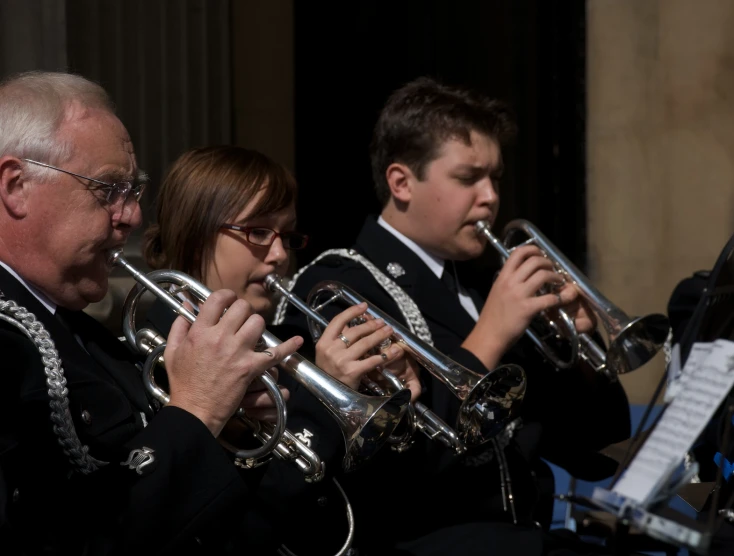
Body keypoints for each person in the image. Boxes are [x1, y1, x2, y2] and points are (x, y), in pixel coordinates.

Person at [277, 76, 632, 555]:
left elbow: (593, 446)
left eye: (496, 178)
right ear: (401, 182)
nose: (490, 196)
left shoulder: (483, 285)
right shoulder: (339, 285)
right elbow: (400, 468)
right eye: (468, 178)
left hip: (525, 538)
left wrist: (578, 348)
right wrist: (489, 337)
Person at [0, 70, 303, 555]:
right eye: (108, 189)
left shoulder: (78, 328)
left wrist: (229, 425)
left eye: (134, 191)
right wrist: (197, 410)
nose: (133, 215)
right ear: (16, 187)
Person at [141, 145, 422, 554]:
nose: (279, 256)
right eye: (257, 232)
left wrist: (379, 405)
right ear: (196, 230)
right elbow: (242, 517)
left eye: (287, 236)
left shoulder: (287, 342)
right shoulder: (160, 357)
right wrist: (324, 404)